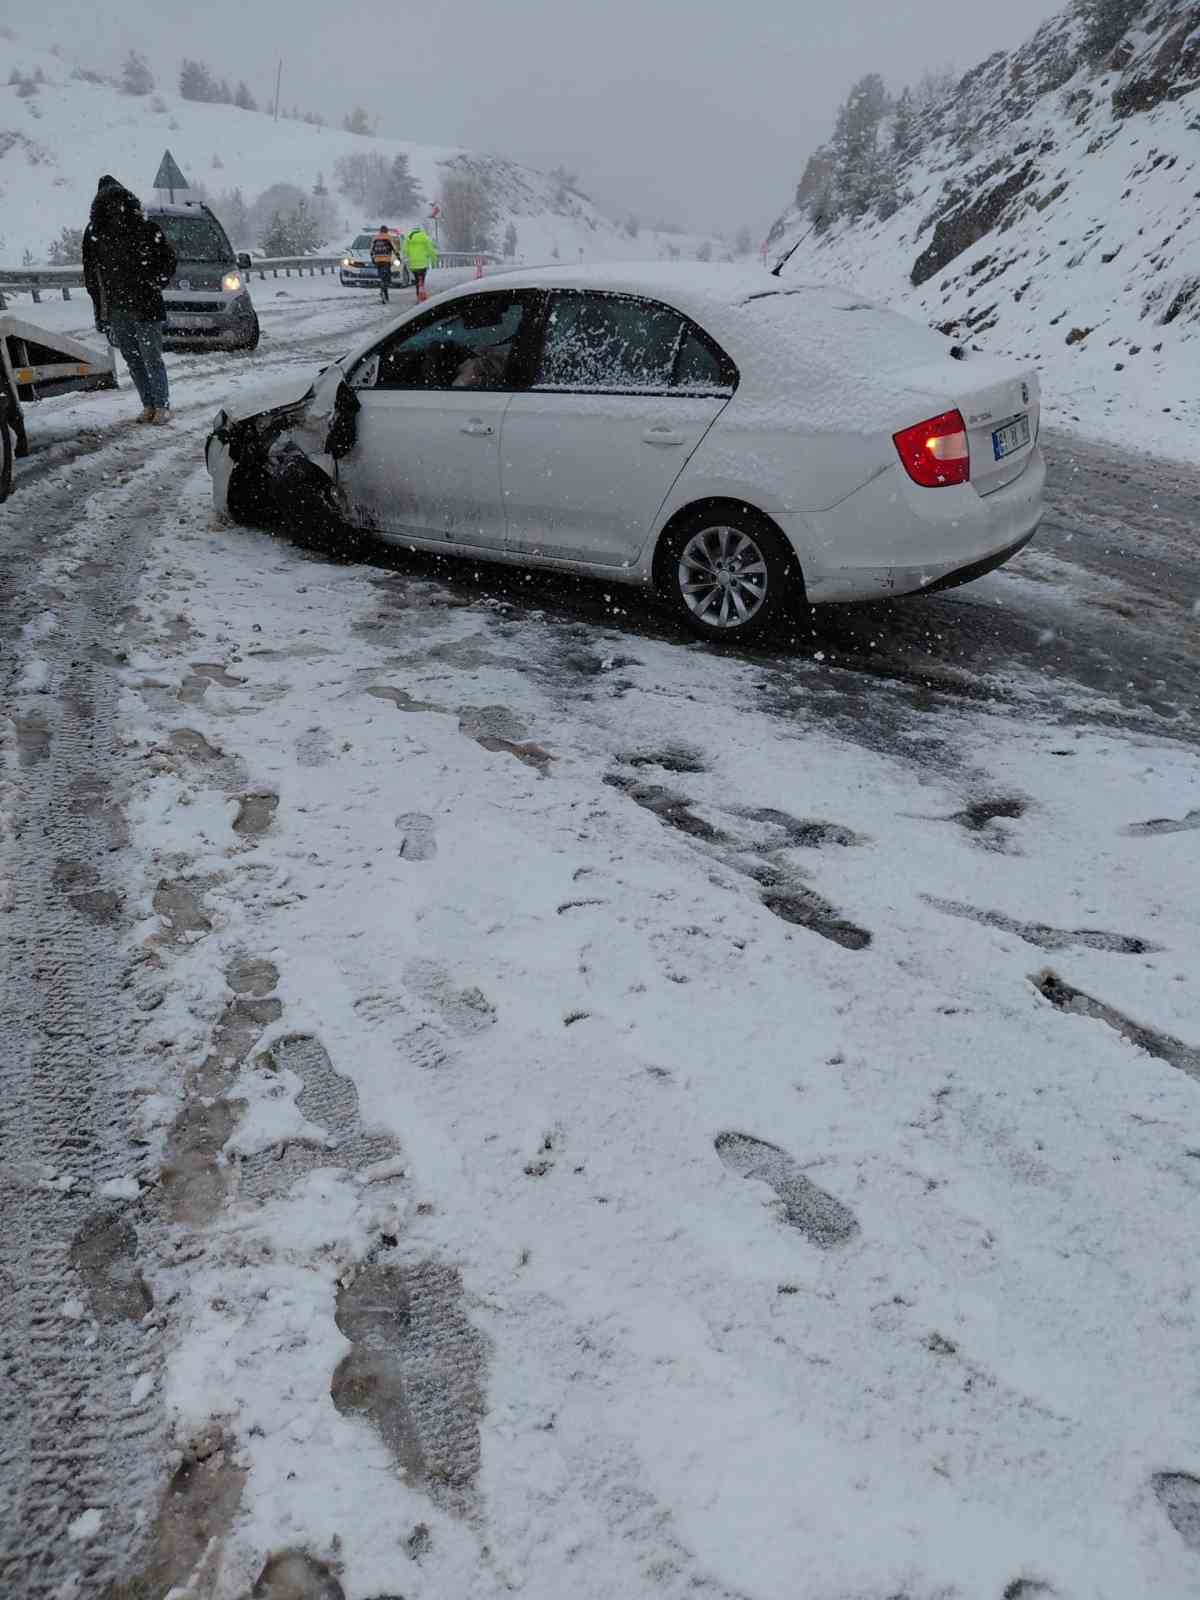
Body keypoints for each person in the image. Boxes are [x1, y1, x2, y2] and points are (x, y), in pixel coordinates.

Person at [81, 175, 176, 424]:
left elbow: (167, 260)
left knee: (144, 358)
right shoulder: (98, 234)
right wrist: (156, 281)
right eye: (108, 201)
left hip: (137, 306)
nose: (113, 206)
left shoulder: (141, 228)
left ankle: (159, 405)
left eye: (116, 200)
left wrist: (156, 281)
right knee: (138, 358)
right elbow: (93, 277)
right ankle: (152, 406)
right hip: (125, 307)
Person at [404, 226, 438, 301]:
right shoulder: (425, 237)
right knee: (422, 280)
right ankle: (422, 293)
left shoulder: (408, 238)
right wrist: (434, 260)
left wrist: (408, 256)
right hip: (423, 264)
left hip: (413, 264)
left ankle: (418, 295)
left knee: (416, 280)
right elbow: (431, 250)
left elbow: (404, 250)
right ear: (420, 231)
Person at [369, 225, 398, 304]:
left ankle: (385, 294)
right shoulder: (389, 237)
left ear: (380, 231)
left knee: (382, 276)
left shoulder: (375, 238)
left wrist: (373, 259)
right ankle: (384, 289)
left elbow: (371, 250)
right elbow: (394, 248)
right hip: (386, 260)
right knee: (387, 278)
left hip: (377, 260)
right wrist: (398, 256)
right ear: (386, 231)